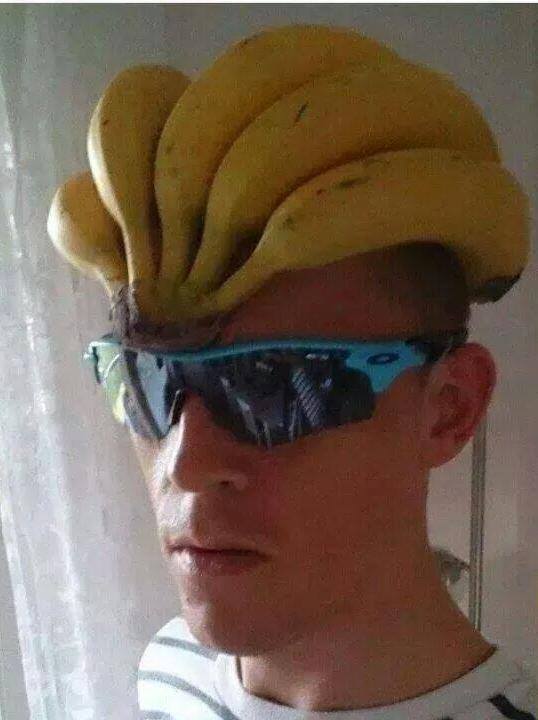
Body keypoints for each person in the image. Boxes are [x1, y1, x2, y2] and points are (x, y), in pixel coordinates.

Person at [47, 22, 536, 720]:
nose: (185, 466)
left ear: (449, 406)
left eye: (273, 387)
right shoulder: (170, 669)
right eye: (148, 380)